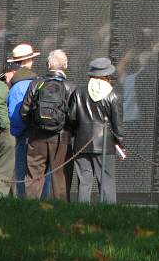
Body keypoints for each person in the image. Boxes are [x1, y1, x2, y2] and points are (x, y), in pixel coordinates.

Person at [20, 50, 76, 200]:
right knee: (61, 178)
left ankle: (31, 210)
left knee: (34, 176)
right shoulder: (71, 87)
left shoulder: (36, 84)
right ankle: (61, 214)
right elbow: (74, 116)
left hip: (36, 137)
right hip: (61, 138)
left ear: (49, 65)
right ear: (65, 66)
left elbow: (24, 111)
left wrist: (34, 126)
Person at [69, 57, 124, 204]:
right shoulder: (113, 95)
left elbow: (72, 117)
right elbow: (117, 124)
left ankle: (81, 214)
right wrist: (120, 143)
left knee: (84, 182)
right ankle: (109, 213)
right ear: (107, 75)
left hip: (81, 142)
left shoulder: (79, 92)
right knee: (106, 181)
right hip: (105, 144)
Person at [6, 43, 42, 198]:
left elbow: (15, 117)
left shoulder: (15, 87)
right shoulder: (39, 82)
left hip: (23, 136)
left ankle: (23, 205)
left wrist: (18, 133)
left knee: (22, 175)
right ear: (29, 61)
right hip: (40, 135)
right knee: (40, 175)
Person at [0, 62, 19, 197]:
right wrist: (7, 125)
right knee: (5, 166)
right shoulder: (3, 83)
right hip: (8, 131)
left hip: (16, 129)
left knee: (14, 167)